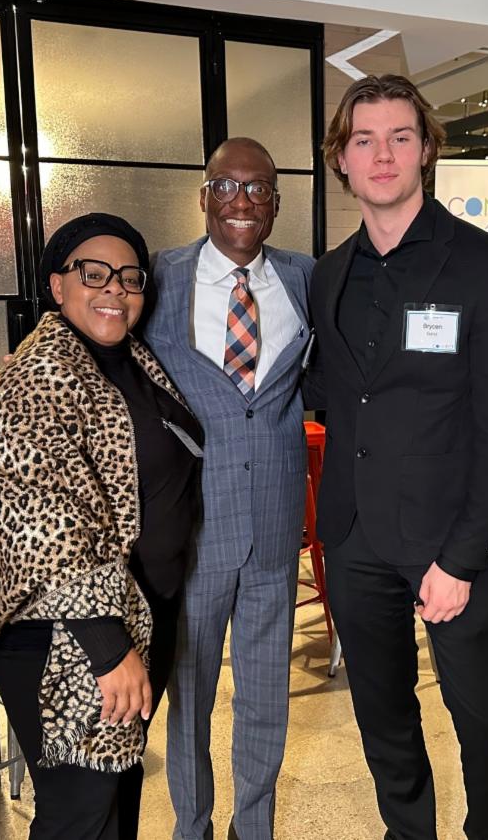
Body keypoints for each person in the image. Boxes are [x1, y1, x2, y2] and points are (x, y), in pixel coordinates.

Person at [306, 74, 488, 840]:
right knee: (382, 715)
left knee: (483, 718)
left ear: (426, 150)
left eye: (400, 137)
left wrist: (462, 559)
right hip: (354, 540)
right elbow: (331, 391)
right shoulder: (329, 274)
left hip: (450, 542)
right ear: (341, 158)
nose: (383, 155)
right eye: (364, 140)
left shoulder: (487, 264)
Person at [0, 213, 204, 839]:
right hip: (66, 630)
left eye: (129, 277)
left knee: (116, 787)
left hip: (139, 607)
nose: (114, 288)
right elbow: (43, 522)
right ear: (57, 285)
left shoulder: (129, 356)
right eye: (93, 273)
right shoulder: (41, 373)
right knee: (80, 810)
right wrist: (108, 647)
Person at [144, 138, 313, 840]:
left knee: (266, 696)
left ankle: (254, 826)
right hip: (194, 528)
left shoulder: (305, 278)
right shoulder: (160, 276)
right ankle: (193, 826)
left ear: (275, 202)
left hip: (274, 525)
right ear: (204, 196)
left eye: (258, 188)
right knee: (190, 695)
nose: (242, 201)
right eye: (226, 186)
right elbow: (94, 340)